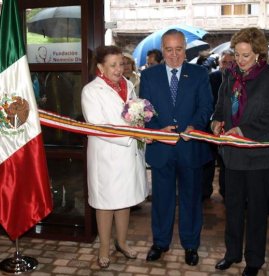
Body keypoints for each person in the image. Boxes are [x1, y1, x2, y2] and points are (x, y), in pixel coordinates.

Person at [211, 27, 269, 276]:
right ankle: (232, 253)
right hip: (232, 155)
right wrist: (216, 122)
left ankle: (254, 260)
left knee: (256, 211)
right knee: (231, 208)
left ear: (259, 54)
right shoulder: (229, 75)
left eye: (245, 55)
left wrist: (244, 130)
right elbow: (220, 107)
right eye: (237, 54)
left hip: (259, 156)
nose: (239, 61)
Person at [139, 29, 213, 266]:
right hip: (162, 148)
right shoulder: (149, 76)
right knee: (161, 199)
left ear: (185, 49)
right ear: (163, 50)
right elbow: (145, 110)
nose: (173, 55)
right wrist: (157, 130)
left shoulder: (200, 73)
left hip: (190, 148)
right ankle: (160, 243)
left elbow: (206, 107)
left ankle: (191, 245)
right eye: (168, 50)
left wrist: (195, 125)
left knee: (191, 199)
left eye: (178, 49)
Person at [81, 45, 148, 269]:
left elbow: (135, 113)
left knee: (124, 200)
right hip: (107, 157)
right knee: (106, 203)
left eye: (121, 63)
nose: (119, 69)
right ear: (100, 67)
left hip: (128, 154)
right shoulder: (91, 91)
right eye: (113, 65)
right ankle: (103, 248)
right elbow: (98, 127)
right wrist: (132, 133)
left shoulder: (128, 85)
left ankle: (121, 242)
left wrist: (141, 126)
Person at [201, 49, 235, 201]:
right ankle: (205, 190)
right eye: (224, 62)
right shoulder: (212, 78)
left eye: (230, 62)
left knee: (226, 162)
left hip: (230, 127)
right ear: (219, 63)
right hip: (211, 124)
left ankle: (226, 191)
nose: (227, 66)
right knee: (209, 159)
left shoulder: (239, 79)